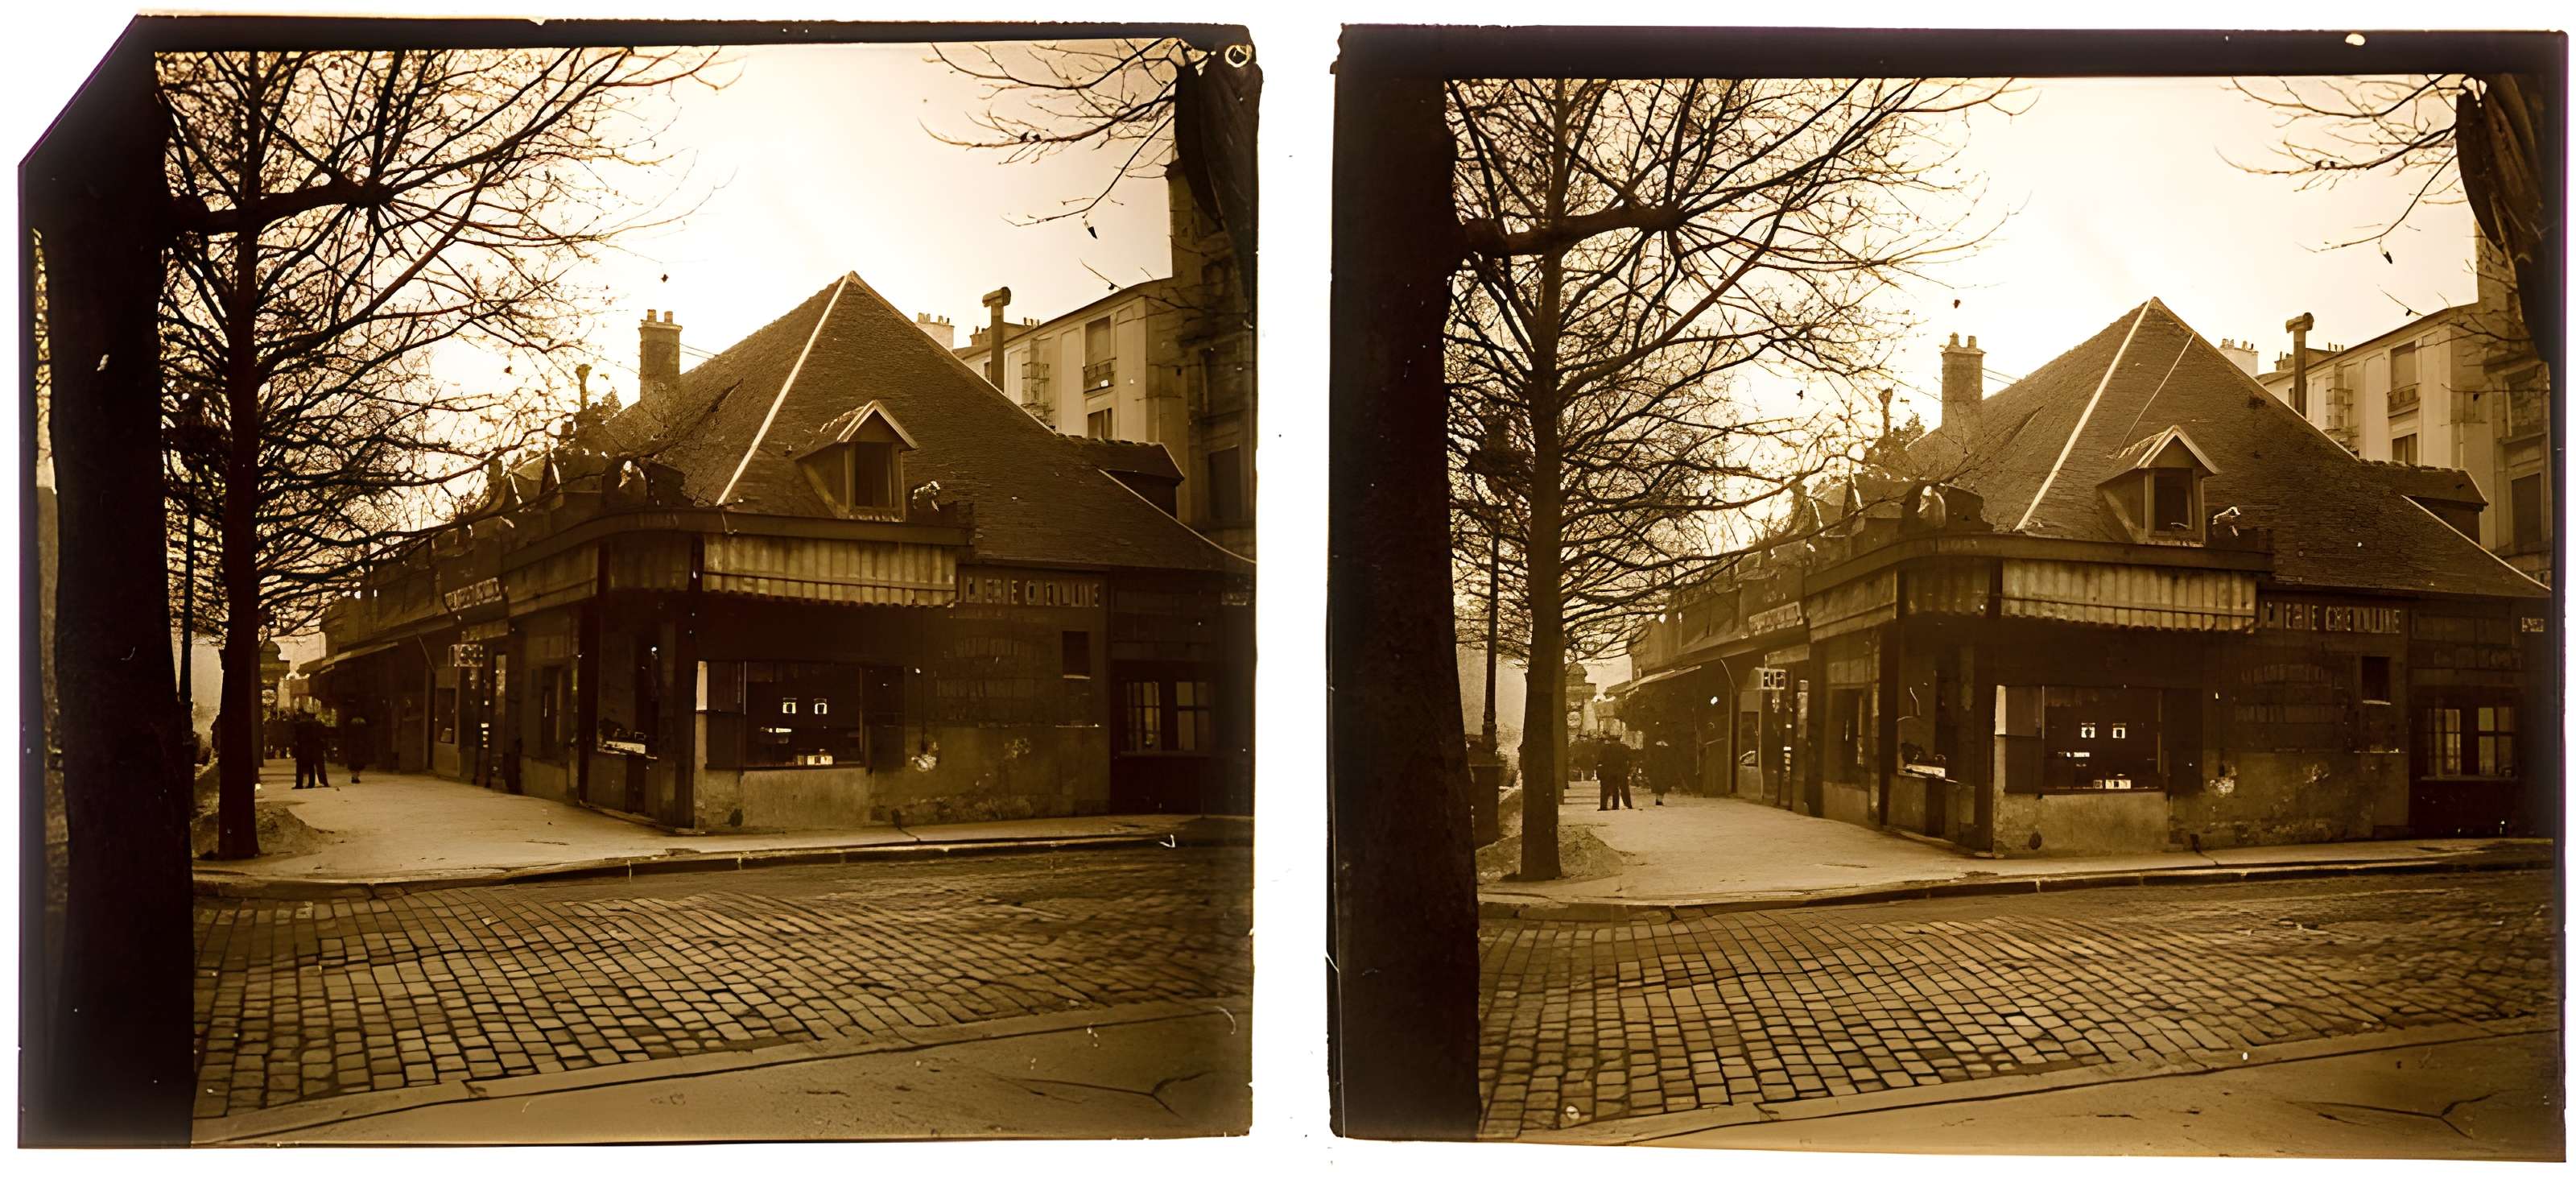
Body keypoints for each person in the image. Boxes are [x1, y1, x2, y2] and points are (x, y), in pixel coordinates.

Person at [1599, 736, 1635, 810]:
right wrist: (1628, 769)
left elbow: (1600, 760)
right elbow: (1631, 760)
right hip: (1622, 770)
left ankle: (1604, 806)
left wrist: (1601, 770)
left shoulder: (1605, 748)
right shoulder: (1625, 748)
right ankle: (1627, 804)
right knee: (1624, 788)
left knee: (1606, 789)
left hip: (1608, 770)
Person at [345, 709, 372, 784]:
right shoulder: (363, 723)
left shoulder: (350, 724)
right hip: (360, 745)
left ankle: (354, 776)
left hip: (353, 745)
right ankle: (355, 776)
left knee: (353, 761)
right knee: (359, 761)